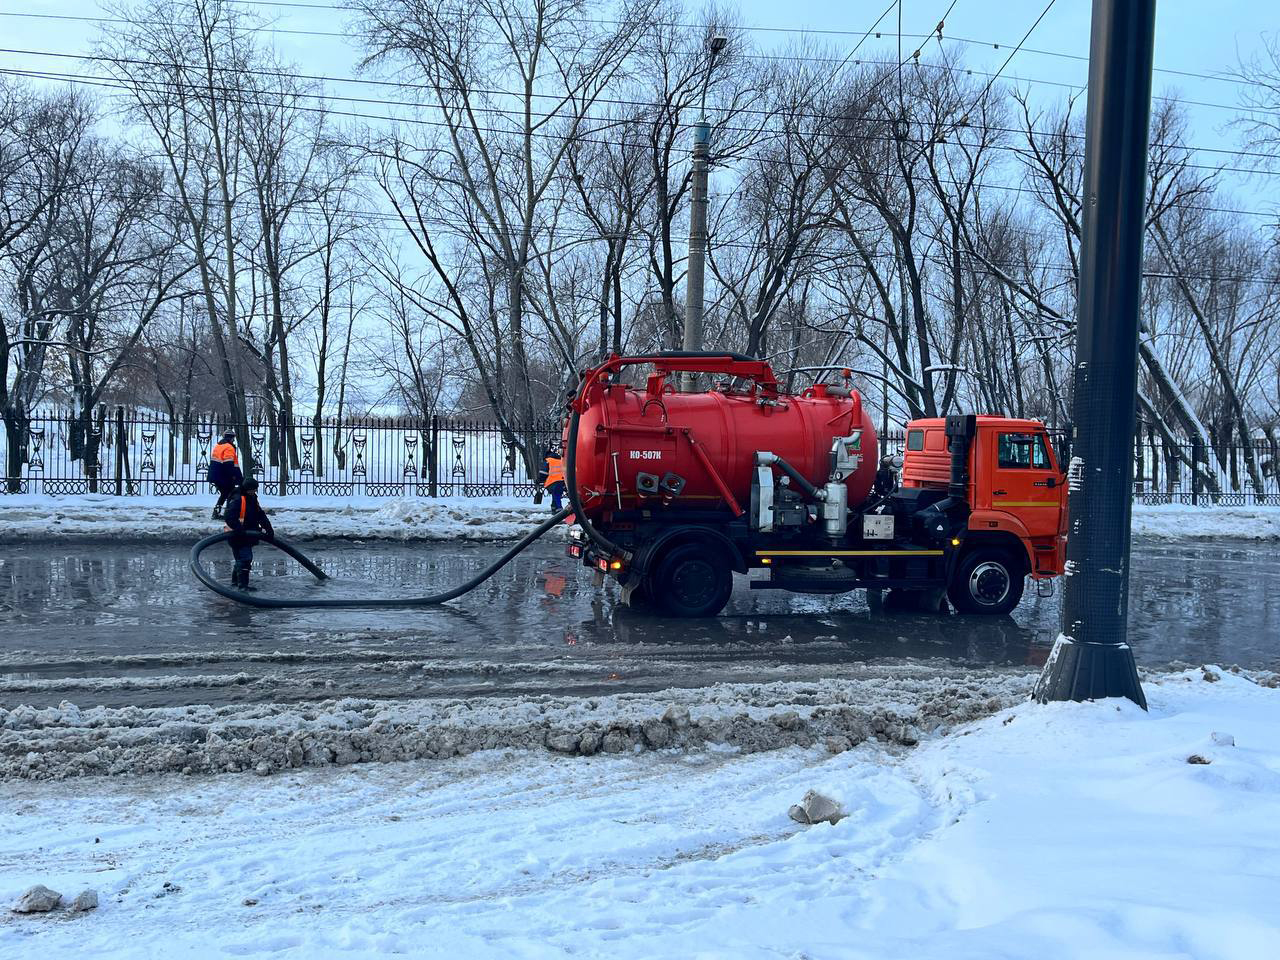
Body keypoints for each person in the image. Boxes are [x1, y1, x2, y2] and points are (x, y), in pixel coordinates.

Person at [223, 478, 274, 592]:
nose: (255, 492)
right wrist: (239, 529)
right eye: (253, 489)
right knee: (245, 559)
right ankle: (242, 586)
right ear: (247, 489)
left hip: (246, 534)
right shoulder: (238, 499)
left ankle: (236, 583)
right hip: (237, 535)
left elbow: (259, 514)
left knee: (240, 559)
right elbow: (229, 517)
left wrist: (268, 528)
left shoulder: (251, 498)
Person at [208, 431, 243, 520]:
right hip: (224, 476)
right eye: (233, 439)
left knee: (225, 494)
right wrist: (235, 476)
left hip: (216, 475)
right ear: (231, 438)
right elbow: (229, 463)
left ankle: (217, 512)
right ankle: (228, 514)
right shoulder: (229, 447)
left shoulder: (218, 446)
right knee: (230, 494)